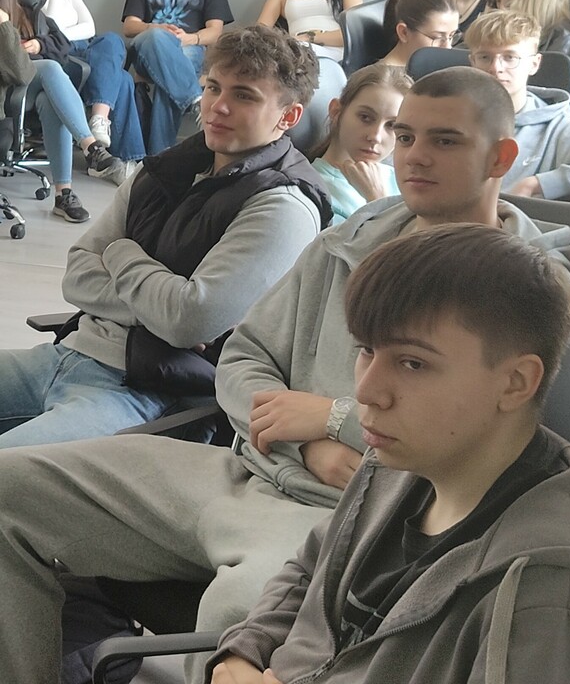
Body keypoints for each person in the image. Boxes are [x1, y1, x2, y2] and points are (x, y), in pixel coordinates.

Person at [0, 68, 570, 684]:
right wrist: (305, 439)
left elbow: (504, 448)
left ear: (500, 157)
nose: (414, 155)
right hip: (246, 467)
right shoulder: (352, 237)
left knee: (239, 625)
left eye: (444, 140)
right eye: (405, 135)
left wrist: (335, 419)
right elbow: (243, 355)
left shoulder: (536, 295)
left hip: (341, 515)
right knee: (9, 489)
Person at [207, 223, 570, 684]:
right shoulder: (403, 459)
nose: (366, 391)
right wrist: (246, 651)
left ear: (515, 383)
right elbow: (312, 567)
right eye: (367, 351)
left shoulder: (548, 597)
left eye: (413, 363)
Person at [0, 24, 331, 449]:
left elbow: (189, 321)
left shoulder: (284, 205)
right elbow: (77, 275)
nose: (218, 107)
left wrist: (120, 253)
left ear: (288, 116)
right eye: (213, 88)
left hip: (147, 390)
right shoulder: (168, 167)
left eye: (244, 96)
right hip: (68, 352)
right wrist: (163, 304)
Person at [18, 0, 145, 183]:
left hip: (83, 49)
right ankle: (123, 159)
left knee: (111, 40)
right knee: (121, 79)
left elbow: (89, 27)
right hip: (56, 55)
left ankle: (100, 121)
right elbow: (50, 31)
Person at [0, 0, 105, 222]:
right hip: (7, 88)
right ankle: (90, 147)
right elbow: (16, 70)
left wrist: (39, 44)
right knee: (49, 72)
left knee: (49, 94)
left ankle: (64, 193)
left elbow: (62, 43)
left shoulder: (28, 8)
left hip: (29, 88)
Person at [122, 0, 233, 154]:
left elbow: (215, 32)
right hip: (147, 51)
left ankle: (158, 158)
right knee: (156, 38)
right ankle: (194, 101)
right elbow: (129, 27)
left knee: (169, 81)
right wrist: (155, 28)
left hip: (189, 49)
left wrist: (189, 38)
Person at [467, 10, 570, 199]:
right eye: (485, 57)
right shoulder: (451, 116)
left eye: (510, 57)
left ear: (534, 64)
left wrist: (536, 184)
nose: (496, 67)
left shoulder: (556, 127)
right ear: (472, 62)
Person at [308, 63, 410, 223]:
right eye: (365, 117)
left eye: (392, 125)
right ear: (336, 112)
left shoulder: (403, 179)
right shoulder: (314, 190)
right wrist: (377, 198)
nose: (376, 136)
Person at [381, 0, 459, 68]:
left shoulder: (429, 67)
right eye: (437, 37)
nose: (448, 47)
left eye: (451, 36)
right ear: (404, 32)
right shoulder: (381, 76)